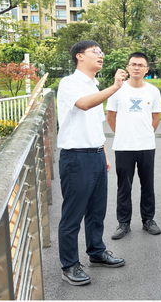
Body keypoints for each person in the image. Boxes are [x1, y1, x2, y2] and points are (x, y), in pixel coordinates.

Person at [57, 40, 127, 286]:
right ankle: (69, 265)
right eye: (95, 51)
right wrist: (115, 87)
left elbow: (97, 126)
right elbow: (84, 105)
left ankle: (96, 252)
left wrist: (103, 155)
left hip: (96, 156)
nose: (101, 55)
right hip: (76, 157)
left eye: (101, 52)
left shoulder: (94, 85)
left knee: (97, 211)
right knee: (73, 214)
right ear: (79, 56)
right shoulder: (69, 83)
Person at [106, 52, 161, 240]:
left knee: (148, 185)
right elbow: (110, 117)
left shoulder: (153, 91)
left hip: (146, 145)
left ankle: (148, 220)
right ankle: (124, 223)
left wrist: (146, 133)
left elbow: (156, 117)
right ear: (128, 67)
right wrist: (123, 134)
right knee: (124, 186)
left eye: (141, 65)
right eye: (133, 64)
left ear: (147, 69)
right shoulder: (117, 89)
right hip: (123, 146)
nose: (137, 68)